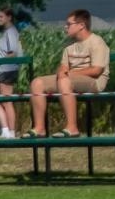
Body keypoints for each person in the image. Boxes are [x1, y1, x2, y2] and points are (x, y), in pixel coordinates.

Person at [24, 9, 109, 138]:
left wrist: (69, 73)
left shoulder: (97, 42)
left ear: (81, 25)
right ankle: (40, 128)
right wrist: (62, 72)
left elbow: (96, 70)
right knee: (37, 83)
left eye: (69, 24)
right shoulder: (69, 47)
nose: (66, 27)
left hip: (94, 82)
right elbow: (63, 67)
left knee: (65, 81)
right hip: (71, 80)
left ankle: (72, 127)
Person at [0, 7, 23, 139]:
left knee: (7, 101)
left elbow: (13, 53)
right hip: (1, 70)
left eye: (1, 16)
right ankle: (4, 129)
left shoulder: (11, 31)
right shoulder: (6, 32)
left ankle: (11, 131)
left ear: (9, 17)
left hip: (7, 69)